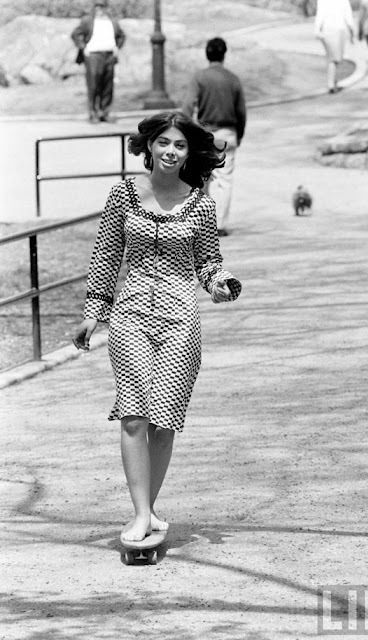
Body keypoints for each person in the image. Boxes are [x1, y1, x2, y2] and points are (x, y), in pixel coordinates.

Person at [73, 111, 242, 544]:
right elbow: (106, 255)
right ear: (149, 145)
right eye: (164, 142)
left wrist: (219, 285)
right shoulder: (124, 194)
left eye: (180, 145)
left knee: (163, 420)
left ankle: (147, 510)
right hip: (129, 316)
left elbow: (207, 263)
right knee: (133, 417)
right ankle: (141, 514)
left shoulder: (201, 204)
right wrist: (94, 311)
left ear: (189, 153)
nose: (171, 151)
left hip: (179, 320)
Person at [182, 37, 246, 237]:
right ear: (224, 54)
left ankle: (199, 223)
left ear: (206, 54)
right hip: (227, 133)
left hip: (204, 133)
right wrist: (239, 135)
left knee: (201, 179)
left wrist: (187, 132)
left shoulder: (200, 77)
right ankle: (218, 224)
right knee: (223, 179)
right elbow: (241, 112)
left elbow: (187, 107)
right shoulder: (233, 79)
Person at [71, 0, 125, 123]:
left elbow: (121, 35)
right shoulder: (88, 21)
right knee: (94, 84)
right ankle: (93, 112)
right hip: (94, 55)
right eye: (97, 6)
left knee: (108, 85)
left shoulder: (113, 21)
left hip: (109, 54)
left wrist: (117, 47)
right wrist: (83, 47)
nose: (99, 9)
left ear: (106, 8)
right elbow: (75, 34)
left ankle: (104, 112)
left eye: (102, 6)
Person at [314, 0, 355, 93]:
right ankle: (331, 83)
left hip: (327, 29)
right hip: (339, 29)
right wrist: (352, 31)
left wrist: (317, 29)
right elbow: (348, 16)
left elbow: (320, 15)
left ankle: (333, 81)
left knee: (333, 57)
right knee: (334, 58)